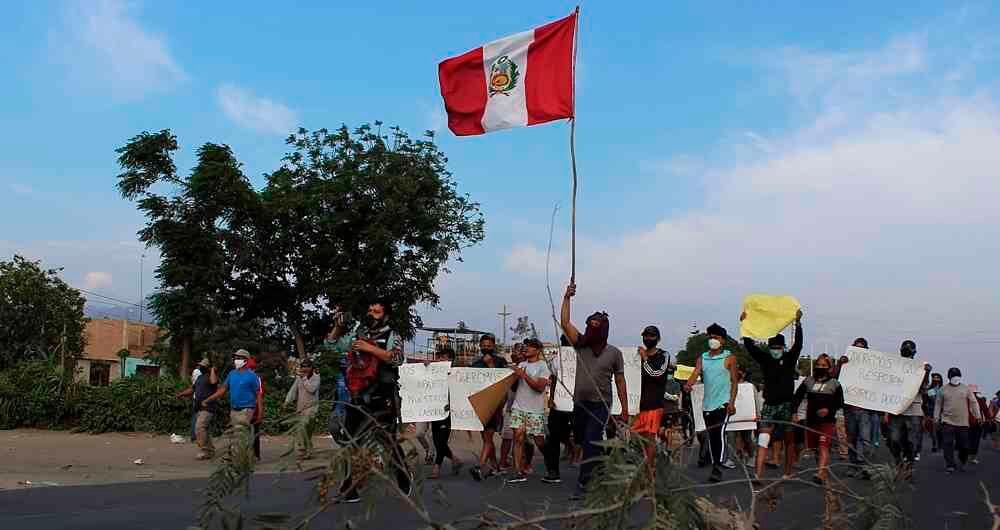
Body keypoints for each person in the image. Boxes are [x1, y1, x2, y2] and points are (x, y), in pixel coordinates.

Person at [334, 299, 411, 503]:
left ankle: (404, 476)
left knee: (387, 441)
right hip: (357, 396)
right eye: (369, 310)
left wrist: (370, 348)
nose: (371, 314)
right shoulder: (359, 333)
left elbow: (397, 358)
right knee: (349, 439)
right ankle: (348, 486)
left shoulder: (392, 335)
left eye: (376, 312)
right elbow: (334, 345)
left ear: (385, 315)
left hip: (382, 397)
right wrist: (337, 327)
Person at [560, 282, 628, 500]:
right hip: (580, 402)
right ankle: (599, 470)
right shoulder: (580, 344)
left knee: (591, 439)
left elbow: (620, 382)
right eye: (589, 324)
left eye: (596, 325)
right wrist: (567, 297)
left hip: (601, 404)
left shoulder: (614, 353)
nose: (591, 329)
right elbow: (564, 322)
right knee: (581, 438)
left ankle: (584, 483)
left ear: (604, 329)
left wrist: (624, 409)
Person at [741, 309, 803, 483]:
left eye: (778, 348)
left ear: (783, 348)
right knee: (763, 439)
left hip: (786, 406)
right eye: (773, 348)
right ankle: (758, 475)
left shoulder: (790, 359)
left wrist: (798, 324)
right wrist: (744, 325)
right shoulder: (766, 359)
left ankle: (788, 472)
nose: (776, 350)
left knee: (789, 440)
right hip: (769, 405)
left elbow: (798, 344)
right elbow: (750, 347)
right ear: (769, 348)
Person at [684, 323, 739, 483]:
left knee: (719, 434)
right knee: (711, 435)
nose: (713, 340)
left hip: (723, 404)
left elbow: (734, 382)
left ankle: (717, 466)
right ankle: (715, 461)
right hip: (707, 404)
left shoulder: (730, 358)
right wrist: (688, 385)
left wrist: (731, 402)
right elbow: (696, 373)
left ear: (723, 340)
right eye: (711, 337)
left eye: (716, 337)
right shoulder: (703, 358)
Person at [791, 354, 844, 484]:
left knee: (823, 446)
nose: (821, 367)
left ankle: (820, 473)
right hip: (812, 420)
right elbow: (797, 397)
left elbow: (840, 402)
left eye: (824, 365)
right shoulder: (808, 381)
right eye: (819, 365)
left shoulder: (835, 384)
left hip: (827, 421)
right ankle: (822, 470)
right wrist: (794, 413)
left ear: (830, 368)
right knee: (815, 448)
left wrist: (828, 410)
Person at [507, 338, 553, 483]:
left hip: (535, 410)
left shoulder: (543, 367)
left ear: (537, 350)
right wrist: (512, 376)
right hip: (518, 407)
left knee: (539, 441)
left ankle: (551, 464)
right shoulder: (521, 364)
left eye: (530, 347)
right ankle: (518, 472)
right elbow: (514, 387)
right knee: (518, 437)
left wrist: (524, 375)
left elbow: (539, 388)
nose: (526, 348)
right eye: (526, 346)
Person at [202, 349, 263, 457]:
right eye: (235, 358)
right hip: (234, 409)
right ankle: (245, 458)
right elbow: (222, 390)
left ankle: (238, 460)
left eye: (239, 358)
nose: (236, 360)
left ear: (245, 360)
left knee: (239, 434)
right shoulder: (232, 374)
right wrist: (208, 399)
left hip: (247, 409)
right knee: (238, 434)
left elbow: (258, 394)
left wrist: (260, 412)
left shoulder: (252, 376)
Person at [884, 340, 930, 470]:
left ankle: (909, 463)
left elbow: (923, 389)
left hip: (913, 409)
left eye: (910, 349)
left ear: (914, 352)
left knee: (912, 440)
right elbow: (886, 388)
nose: (907, 351)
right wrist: (886, 411)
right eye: (905, 349)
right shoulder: (894, 367)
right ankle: (898, 459)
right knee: (894, 439)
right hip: (896, 408)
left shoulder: (920, 368)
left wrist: (926, 373)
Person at [469, 333, 508, 481]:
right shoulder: (475, 363)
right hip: (479, 405)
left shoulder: (500, 362)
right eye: (484, 346)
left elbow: (502, 382)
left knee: (488, 437)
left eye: (489, 346)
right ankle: (495, 467)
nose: (486, 348)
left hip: (494, 406)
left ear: (494, 346)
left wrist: (491, 364)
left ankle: (479, 466)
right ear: (480, 346)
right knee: (486, 438)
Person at [633, 326, 670, 479]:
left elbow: (657, 373)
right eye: (646, 336)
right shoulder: (637, 356)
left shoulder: (663, 355)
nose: (648, 339)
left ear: (658, 339)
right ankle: (640, 468)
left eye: (651, 336)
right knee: (636, 438)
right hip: (637, 404)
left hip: (654, 404)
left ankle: (650, 472)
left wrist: (645, 359)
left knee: (649, 439)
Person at [934, 368, 982, 473]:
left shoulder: (966, 389)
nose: (955, 378)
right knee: (947, 443)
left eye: (957, 376)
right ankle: (950, 465)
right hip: (947, 421)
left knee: (964, 445)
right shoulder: (943, 389)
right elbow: (938, 404)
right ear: (949, 377)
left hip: (963, 422)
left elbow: (973, 402)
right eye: (953, 376)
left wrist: (978, 416)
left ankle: (962, 460)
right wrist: (936, 417)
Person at [542, 337, 576, 485]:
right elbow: (555, 379)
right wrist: (552, 397)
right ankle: (553, 472)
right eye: (564, 342)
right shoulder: (558, 359)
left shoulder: (584, 356)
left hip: (578, 404)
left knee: (586, 437)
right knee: (553, 437)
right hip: (560, 404)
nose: (566, 345)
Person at [839, 338, 874, 477]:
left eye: (862, 348)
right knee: (852, 438)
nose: (859, 350)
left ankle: (864, 466)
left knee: (864, 438)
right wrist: (840, 364)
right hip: (849, 408)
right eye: (856, 347)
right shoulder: (846, 364)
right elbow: (836, 378)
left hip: (864, 408)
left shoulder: (871, 367)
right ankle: (853, 466)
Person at [428, 347, 463, 479]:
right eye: (439, 357)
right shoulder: (432, 372)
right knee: (437, 441)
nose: (441, 360)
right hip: (434, 412)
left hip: (449, 413)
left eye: (445, 357)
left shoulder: (456, 374)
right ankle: (455, 460)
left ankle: (436, 468)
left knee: (441, 441)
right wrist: (425, 369)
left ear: (451, 360)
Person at [176, 359, 218, 460]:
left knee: (199, 427)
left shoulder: (211, 376)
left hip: (208, 407)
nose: (201, 367)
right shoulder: (200, 377)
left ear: (208, 368)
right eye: (200, 366)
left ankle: (204, 450)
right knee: (204, 429)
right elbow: (192, 389)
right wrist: (181, 394)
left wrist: (212, 370)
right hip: (199, 407)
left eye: (203, 366)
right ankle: (210, 450)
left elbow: (214, 382)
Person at [284, 358, 321, 460]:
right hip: (301, 409)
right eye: (303, 366)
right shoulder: (299, 378)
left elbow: (312, 389)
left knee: (307, 431)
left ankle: (307, 449)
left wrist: (304, 378)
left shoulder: (316, 378)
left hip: (312, 409)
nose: (305, 369)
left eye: (307, 367)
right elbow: (293, 390)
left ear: (311, 368)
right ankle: (303, 451)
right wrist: (287, 401)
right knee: (301, 430)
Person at [969, 390, 991, 465]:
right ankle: (973, 457)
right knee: (976, 441)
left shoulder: (965, 400)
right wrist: (988, 418)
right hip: (977, 423)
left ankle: (969, 455)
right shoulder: (980, 400)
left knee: (969, 440)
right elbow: (986, 411)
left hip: (967, 423)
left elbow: (986, 410)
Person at [924, 373, 944, 453]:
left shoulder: (943, 389)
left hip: (942, 412)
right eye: (934, 378)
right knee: (933, 430)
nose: (936, 379)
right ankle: (934, 444)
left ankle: (940, 444)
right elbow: (930, 400)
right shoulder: (930, 390)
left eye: (937, 378)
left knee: (940, 430)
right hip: (932, 411)